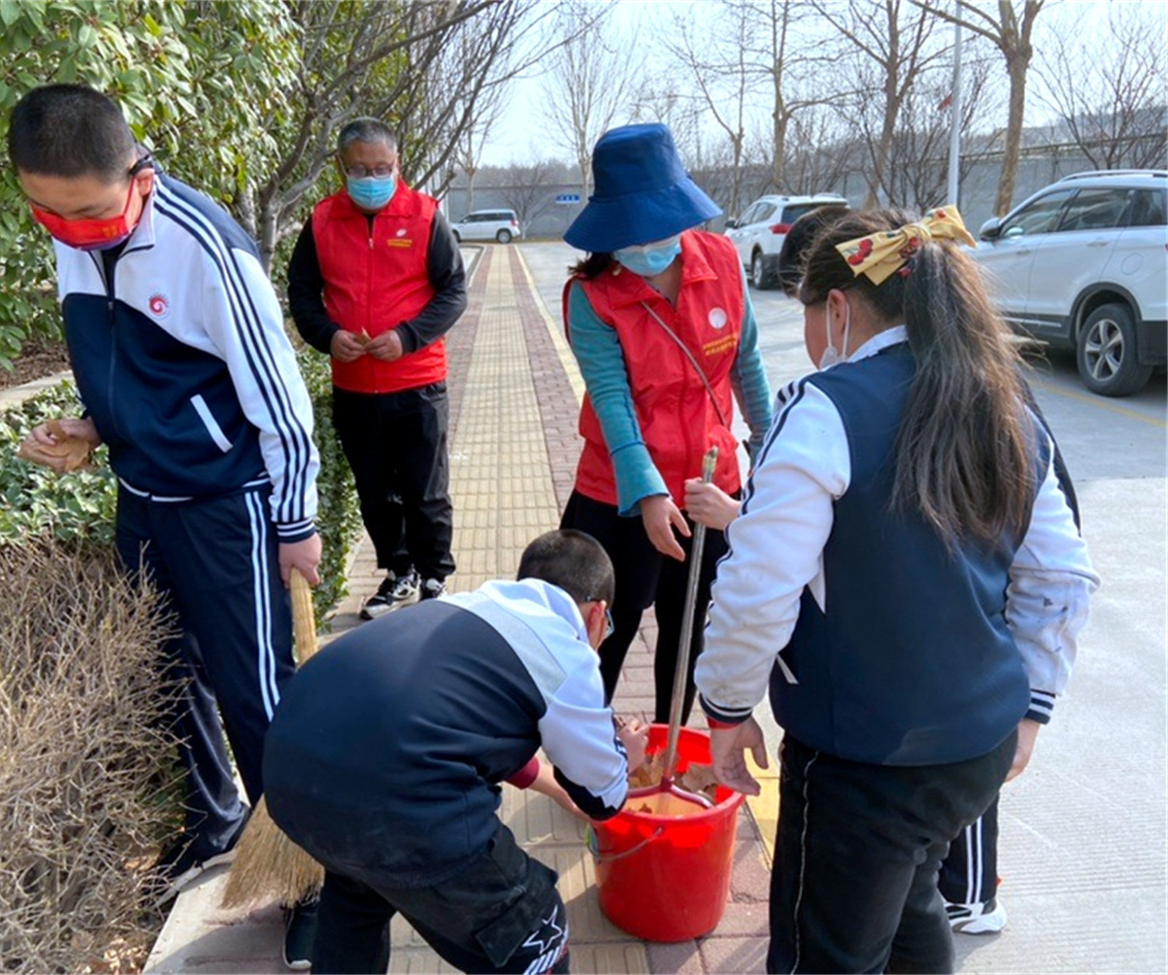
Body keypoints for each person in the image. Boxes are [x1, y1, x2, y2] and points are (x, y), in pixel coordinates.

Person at [694, 207, 1099, 973]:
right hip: (975, 744)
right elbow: (1060, 575)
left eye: (810, 317)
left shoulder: (824, 411)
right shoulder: (1005, 401)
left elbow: (757, 587)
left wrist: (725, 705)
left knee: (827, 953)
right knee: (911, 902)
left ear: (838, 308)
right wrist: (1033, 706)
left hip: (864, 761)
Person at [7, 84, 323, 930]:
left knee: (256, 690)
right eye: (48, 212)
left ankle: (311, 873)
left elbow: (281, 400)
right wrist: (93, 428)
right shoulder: (73, 230)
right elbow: (138, 373)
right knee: (161, 672)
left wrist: (296, 521)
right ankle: (216, 819)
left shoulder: (203, 245)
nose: (71, 230)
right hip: (142, 495)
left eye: (88, 212)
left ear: (134, 170)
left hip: (230, 503)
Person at [261, 529, 650, 975]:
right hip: (398, 805)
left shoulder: (465, 607)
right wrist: (626, 756)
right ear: (598, 615)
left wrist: (553, 783)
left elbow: (456, 728)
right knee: (536, 929)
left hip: (293, 776)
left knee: (358, 893)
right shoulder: (567, 651)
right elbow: (601, 797)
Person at [557, 123, 773, 725]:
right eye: (633, 231)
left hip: (709, 486)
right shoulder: (591, 297)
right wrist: (648, 493)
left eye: (660, 226)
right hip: (618, 493)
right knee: (602, 631)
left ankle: (667, 749)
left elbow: (746, 363)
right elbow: (611, 401)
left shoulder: (724, 263)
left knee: (688, 634)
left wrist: (771, 447)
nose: (649, 244)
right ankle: (590, 760)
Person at [288, 117, 465, 620]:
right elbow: (301, 291)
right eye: (361, 168)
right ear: (342, 168)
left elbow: (454, 291)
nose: (372, 177)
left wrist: (407, 336)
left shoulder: (426, 216)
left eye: (382, 167)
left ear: (398, 165)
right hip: (354, 385)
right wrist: (327, 336)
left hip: (417, 381)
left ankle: (435, 576)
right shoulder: (322, 221)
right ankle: (399, 571)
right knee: (373, 488)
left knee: (426, 488)